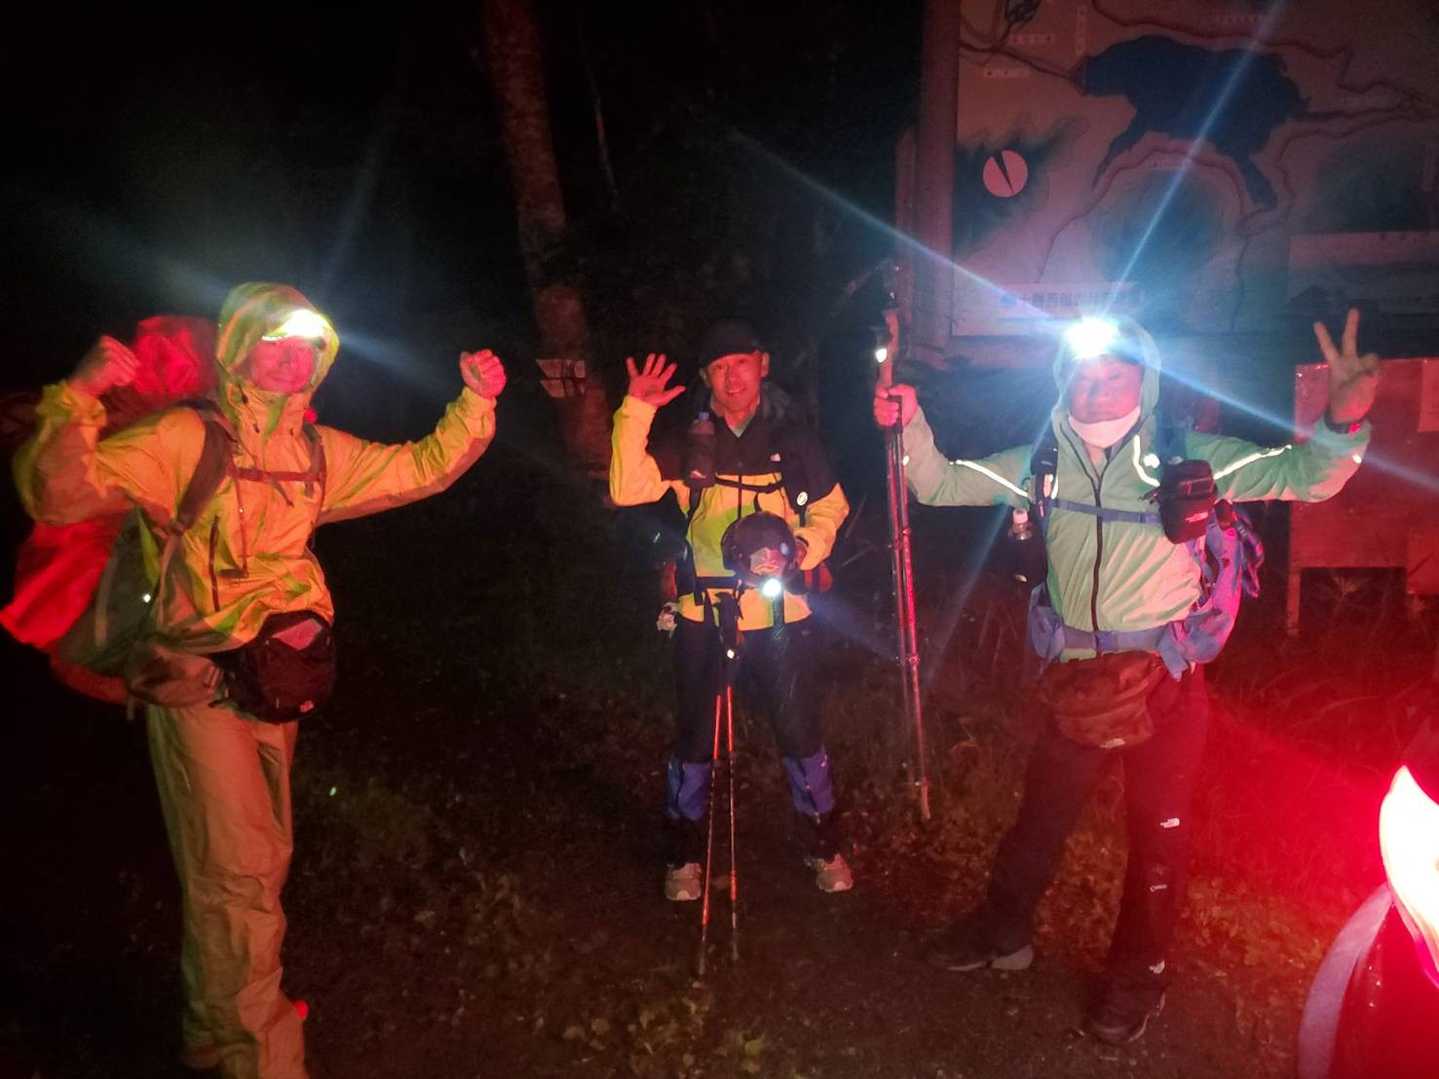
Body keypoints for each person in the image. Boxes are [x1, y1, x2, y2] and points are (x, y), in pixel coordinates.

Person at [13, 282, 507, 1079]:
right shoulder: (183, 437)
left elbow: (416, 467)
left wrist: (474, 405)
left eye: (306, 345)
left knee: (255, 861)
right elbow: (58, 492)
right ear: (239, 349)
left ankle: (213, 1027)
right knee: (238, 870)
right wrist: (75, 396)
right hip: (194, 682)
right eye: (273, 342)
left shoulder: (312, 452)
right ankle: (262, 1054)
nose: (290, 358)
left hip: (273, 681)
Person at [873, 309, 1378, 1044]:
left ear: (1145, 382)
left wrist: (1344, 419)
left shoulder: (1187, 458)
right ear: (1063, 381)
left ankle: (1138, 975)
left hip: (1165, 680)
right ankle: (1002, 932)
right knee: (1040, 818)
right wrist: (910, 421)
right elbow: (939, 483)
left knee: (1158, 833)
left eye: (1114, 375)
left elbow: (1306, 476)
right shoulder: (1041, 462)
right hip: (1076, 681)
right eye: (1082, 375)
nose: (1096, 389)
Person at [609, 319, 854, 900]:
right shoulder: (690, 439)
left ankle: (823, 845)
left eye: (741, 362)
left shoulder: (794, 438)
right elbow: (624, 488)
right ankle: (683, 856)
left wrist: (803, 548)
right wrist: (635, 411)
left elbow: (831, 508)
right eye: (719, 368)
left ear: (762, 364)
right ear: (706, 378)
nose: (732, 376)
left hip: (781, 614)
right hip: (705, 612)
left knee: (800, 733)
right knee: (695, 737)